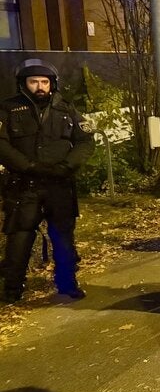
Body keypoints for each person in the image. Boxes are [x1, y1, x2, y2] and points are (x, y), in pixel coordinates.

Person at [0, 59, 94, 303]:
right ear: (23, 83)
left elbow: (85, 141)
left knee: (63, 237)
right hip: (24, 186)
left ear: (52, 83)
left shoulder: (67, 108)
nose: (40, 86)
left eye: (45, 81)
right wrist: (27, 166)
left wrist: (67, 166)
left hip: (59, 185)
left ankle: (67, 283)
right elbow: (1, 144)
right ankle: (12, 289)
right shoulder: (8, 109)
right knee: (20, 237)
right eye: (34, 82)